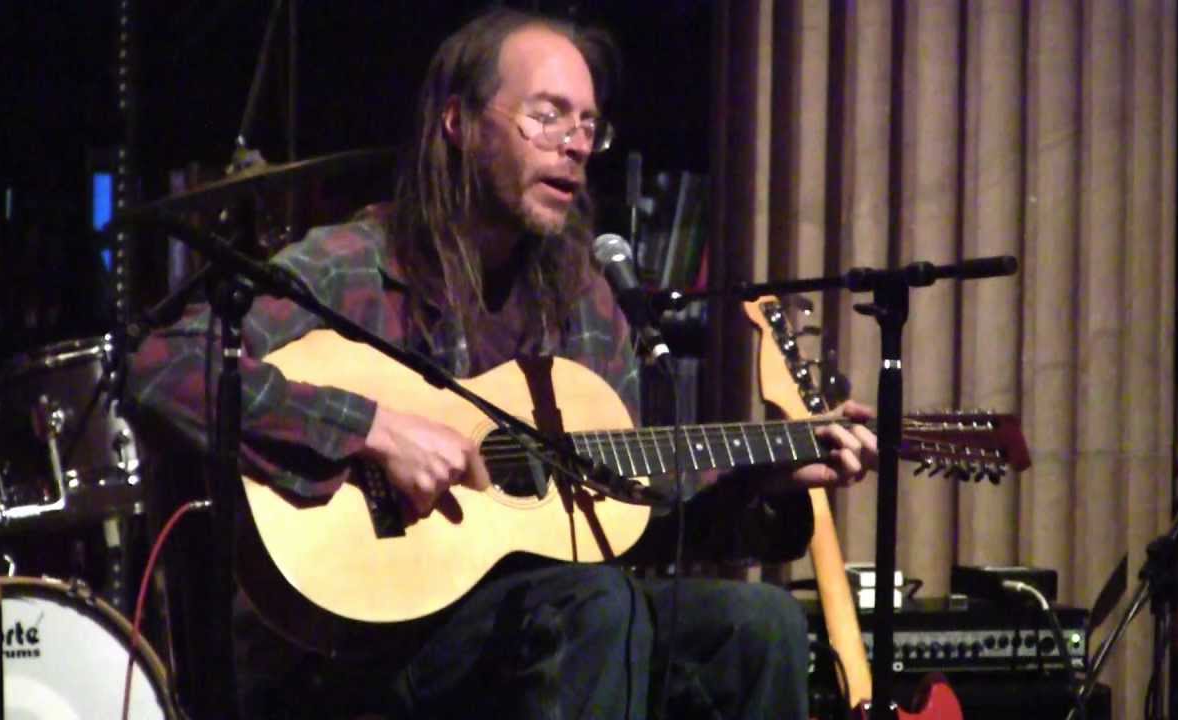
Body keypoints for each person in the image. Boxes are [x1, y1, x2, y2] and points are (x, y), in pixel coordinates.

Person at [128, 7, 877, 719]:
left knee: (760, 624)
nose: (576, 142)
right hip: (359, 643)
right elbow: (160, 365)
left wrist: (765, 475)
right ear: (457, 122)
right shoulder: (355, 267)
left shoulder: (582, 299)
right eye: (547, 115)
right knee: (594, 607)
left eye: (589, 123)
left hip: (540, 625)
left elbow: (632, 515)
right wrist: (372, 429)